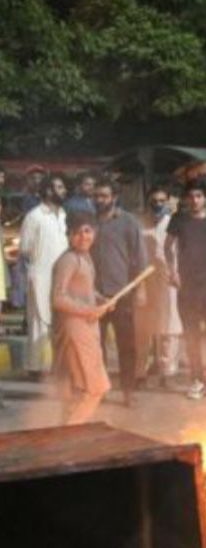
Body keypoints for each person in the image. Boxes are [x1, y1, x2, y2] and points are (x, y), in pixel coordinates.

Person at [166, 180, 206, 401]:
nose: (195, 200)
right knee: (191, 335)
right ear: (186, 199)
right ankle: (196, 379)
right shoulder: (178, 221)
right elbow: (167, 246)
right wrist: (172, 271)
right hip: (187, 287)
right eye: (191, 196)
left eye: (199, 196)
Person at [52, 213, 113, 424]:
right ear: (69, 235)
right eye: (76, 232)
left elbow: (84, 289)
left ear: (94, 233)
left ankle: (67, 435)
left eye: (87, 231)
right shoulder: (68, 260)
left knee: (79, 390)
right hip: (75, 329)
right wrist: (89, 311)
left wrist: (100, 299)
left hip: (86, 328)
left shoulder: (84, 257)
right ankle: (69, 435)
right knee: (93, 389)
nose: (82, 236)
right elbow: (58, 299)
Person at [92, 178, 148, 408]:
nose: (99, 200)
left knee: (127, 346)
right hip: (94, 295)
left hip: (122, 293)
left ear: (114, 197)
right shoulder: (89, 222)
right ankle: (100, 388)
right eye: (96, 196)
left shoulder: (128, 222)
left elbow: (140, 257)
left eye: (104, 196)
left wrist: (141, 289)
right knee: (97, 346)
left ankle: (128, 391)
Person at [135, 185, 182, 388]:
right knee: (143, 328)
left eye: (162, 201)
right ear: (148, 202)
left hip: (169, 279)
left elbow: (180, 253)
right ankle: (140, 373)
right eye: (154, 200)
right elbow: (135, 256)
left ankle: (167, 372)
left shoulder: (173, 223)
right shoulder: (139, 224)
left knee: (169, 328)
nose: (158, 204)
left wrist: (176, 274)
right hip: (145, 280)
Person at [21, 175, 68, 376]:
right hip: (40, 275)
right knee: (38, 322)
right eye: (59, 187)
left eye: (63, 187)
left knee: (59, 322)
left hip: (62, 277)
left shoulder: (64, 215)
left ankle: (56, 367)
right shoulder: (34, 216)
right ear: (48, 191)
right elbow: (25, 248)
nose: (63, 190)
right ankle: (35, 368)